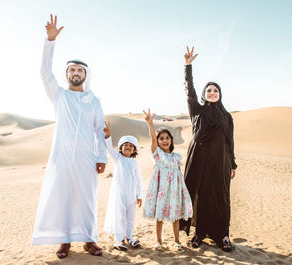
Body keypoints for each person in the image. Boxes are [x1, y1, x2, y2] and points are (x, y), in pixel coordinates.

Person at [32, 14, 107, 258]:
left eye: (80, 70)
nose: (76, 73)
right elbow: (44, 72)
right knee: (63, 198)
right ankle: (65, 241)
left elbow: (100, 130)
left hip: (87, 157)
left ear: (85, 75)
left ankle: (89, 240)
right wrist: (49, 42)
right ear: (68, 74)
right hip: (61, 157)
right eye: (72, 69)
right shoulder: (59, 96)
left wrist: (101, 156)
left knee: (86, 199)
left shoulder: (93, 101)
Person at [179, 46, 237, 252]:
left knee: (220, 197)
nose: (212, 93)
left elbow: (230, 141)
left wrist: (233, 164)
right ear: (205, 94)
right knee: (201, 196)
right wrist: (188, 67)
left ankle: (222, 235)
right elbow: (189, 91)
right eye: (209, 90)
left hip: (221, 162)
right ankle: (199, 233)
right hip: (200, 161)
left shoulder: (226, 116)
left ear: (220, 94)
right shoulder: (198, 111)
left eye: (216, 90)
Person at [142, 109, 193, 253]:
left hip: (175, 190)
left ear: (171, 140)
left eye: (167, 138)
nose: (164, 140)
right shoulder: (157, 155)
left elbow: (178, 176)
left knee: (175, 216)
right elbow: (152, 139)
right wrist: (150, 123)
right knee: (160, 216)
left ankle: (176, 241)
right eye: (161, 138)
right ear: (158, 142)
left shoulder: (176, 157)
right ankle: (158, 241)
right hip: (161, 190)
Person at [103, 122, 143, 251]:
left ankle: (129, 238)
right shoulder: (118, 158)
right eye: (125, 145)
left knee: (130, 217)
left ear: (134, 150)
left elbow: (138, 180)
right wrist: (108, 136)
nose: (128, 147)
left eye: (131, 146)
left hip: (131, 195)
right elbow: (109, 148)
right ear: (121, 147)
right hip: (119, 194)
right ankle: (119, 240)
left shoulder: (135, 163)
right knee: (119, 216)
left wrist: (139, 195)